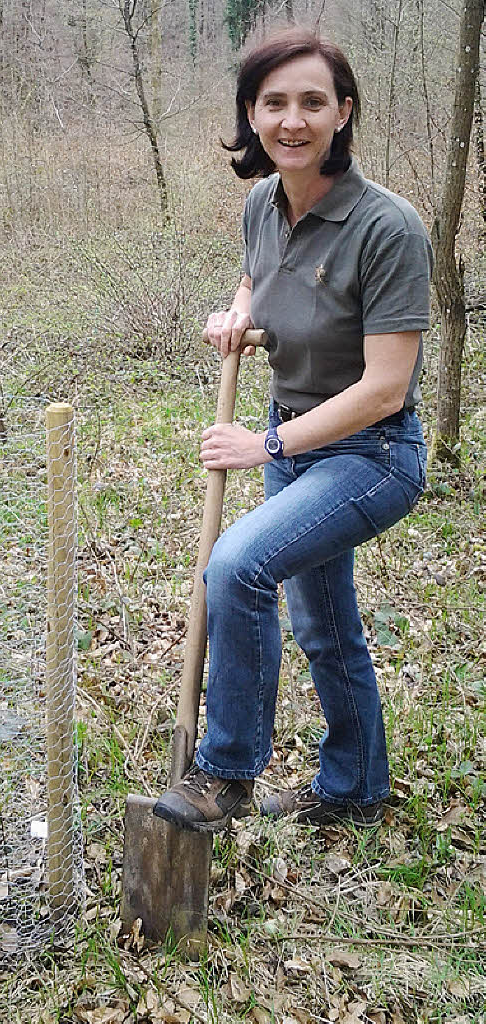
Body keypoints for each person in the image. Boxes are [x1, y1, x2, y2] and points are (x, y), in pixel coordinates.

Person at [153, 28, 431, 832]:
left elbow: (384, 389)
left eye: (313, 101)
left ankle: (225, 775)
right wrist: (236, 315)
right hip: (292, 437)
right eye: (274, 102)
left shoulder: (387, 228)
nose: (292, 119)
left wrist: (264, 446)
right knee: (321, 621)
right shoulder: (261, 203)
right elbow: (254, 276)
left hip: (369, 455)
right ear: (251, 112)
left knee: (235, 566)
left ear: (342, 113)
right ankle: (353, 791)